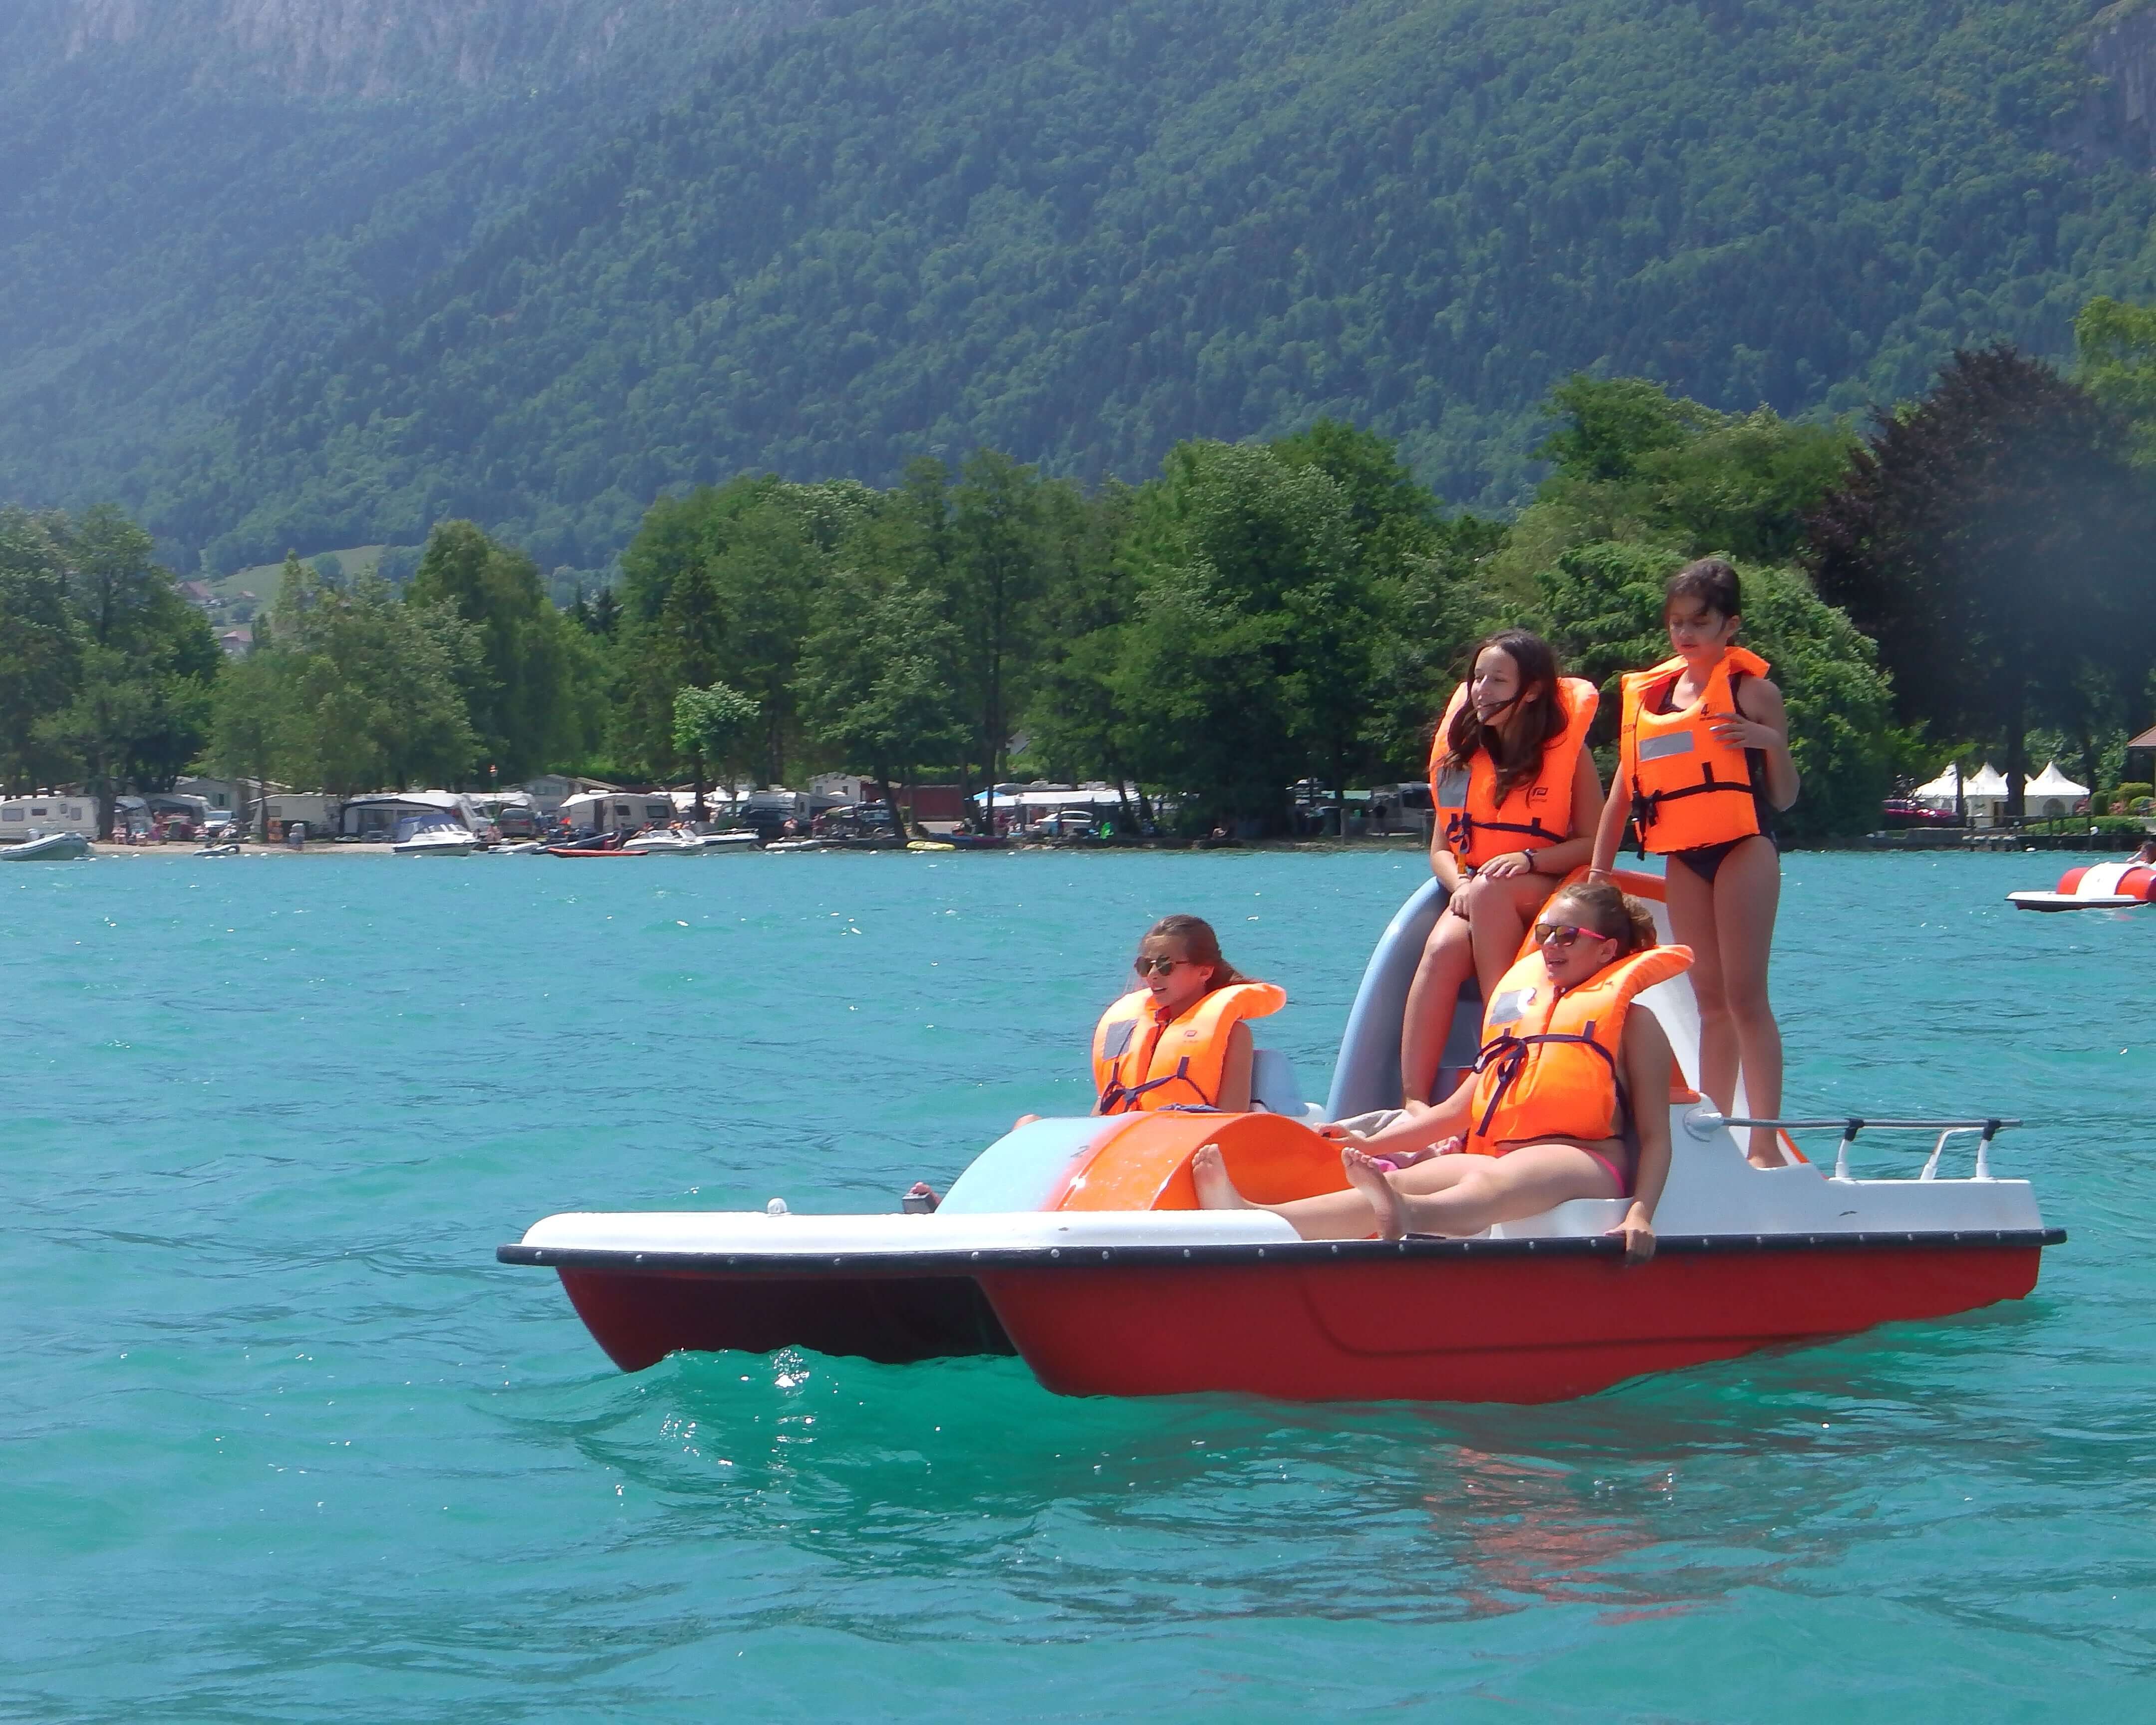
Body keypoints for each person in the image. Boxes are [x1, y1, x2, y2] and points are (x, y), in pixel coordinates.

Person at [1192, 880, 1680, 1259]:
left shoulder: (1636, 1026)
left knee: (1487, 1187)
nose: (1550, 946)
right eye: (1545, 934)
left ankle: (1407, 1215)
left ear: (1607, 951)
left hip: (1586, 1160)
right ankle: (1259, 1219)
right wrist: (1365, 1144)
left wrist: (1641, 1213)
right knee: (1404, 1179)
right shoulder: (1520, 1022)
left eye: (1567, 936)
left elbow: (1656, 1136)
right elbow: (1453, 1116)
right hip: (1503, 1155)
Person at [1589, 558, 1798, 1168]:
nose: (1685, 635)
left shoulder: (1755, 694)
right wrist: (1600, 872)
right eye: (1676, 623)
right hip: (1685, 856)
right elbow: (1622, 792)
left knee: (1745, 996)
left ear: (1729, 625)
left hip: (1744, 848)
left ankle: (1763, 1143)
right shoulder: (1649, 698)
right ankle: (1716, 1134)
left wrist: (1771, 743)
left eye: (1699, 622)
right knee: (1708, 1000)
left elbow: (1783, 796)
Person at [1398, 628, 1604, 1105]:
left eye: (1498, 680)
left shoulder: (1568, 756)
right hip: (1478, 888)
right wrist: (1460, 884)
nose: (1482, 690)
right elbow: (1442, 849)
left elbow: (1594, 845)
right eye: (1477, 678)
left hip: (1547, 885)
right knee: (1444, 948)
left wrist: (1529, 859)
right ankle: (1414, 1102)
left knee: (1490, 891)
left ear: (1530, 691)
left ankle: (1501, 1056)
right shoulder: (1459, 760)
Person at [1091, 914, 1284, 1114]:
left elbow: (1231, 1118)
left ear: (1204, 972)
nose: (1152, 975)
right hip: (1129, 1139)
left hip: (1195, 1141)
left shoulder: (1234, 1034)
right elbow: (1103, 1109)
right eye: (1146, 965)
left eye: (1165, 965)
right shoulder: (1129, 1032)